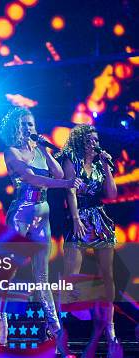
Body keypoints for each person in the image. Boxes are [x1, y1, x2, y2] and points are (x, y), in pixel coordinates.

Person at [0, 107, 81, 344]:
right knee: (10, 269)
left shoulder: (40, 150)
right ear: (15, 128)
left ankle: (55, 328)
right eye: (24, 124)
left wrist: (46, 150)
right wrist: (66, 183)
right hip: (21, 212)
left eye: (31, 124)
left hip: (43, 212)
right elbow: (32, 178)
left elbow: (55, 173)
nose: (28, 128)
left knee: (41, 275)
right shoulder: (11, 152)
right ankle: (2, 318)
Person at [59, 124, 118, 342]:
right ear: (81, 141)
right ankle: (63, 323)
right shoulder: (70, 159)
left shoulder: (101, 164)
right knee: (71, 274)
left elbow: (111, 194)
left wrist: (106, 165)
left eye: (96, 139)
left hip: (99, 217)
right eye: (90, 140)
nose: (94, 143)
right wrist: (75, 219)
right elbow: (70, 191)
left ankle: (109, 326)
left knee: (107, 273)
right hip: (78, 216)